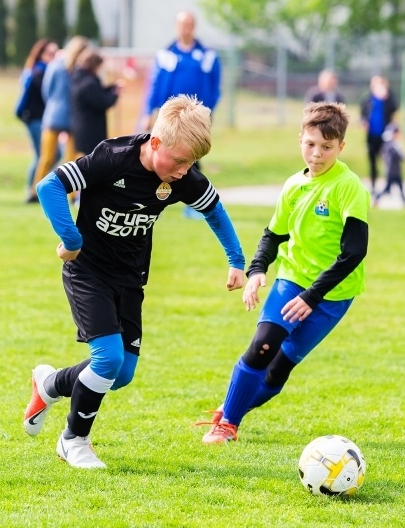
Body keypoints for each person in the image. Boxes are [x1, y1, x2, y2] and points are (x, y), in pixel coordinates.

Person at [23, 95, 246, 469]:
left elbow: (214, 210)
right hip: (88, 271)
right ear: (155, 143)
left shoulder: (181, 177)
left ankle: (49, 384)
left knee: (121, 373)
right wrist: (72, 241)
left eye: (190, 163)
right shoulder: (113, 158)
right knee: (107, 358)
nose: (182, 171)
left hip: (130, 279)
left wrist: (236, 261)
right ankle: (73, 441)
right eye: (178, 161)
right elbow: (49, 186)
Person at [197, 102, 369, 444]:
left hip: (333, 295)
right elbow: (273, 235)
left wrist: (313, 297)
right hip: (292, 280)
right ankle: (228, 424)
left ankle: (232, 407)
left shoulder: (349, 187)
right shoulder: (293, 185)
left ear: (341, 147)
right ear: (300, 140)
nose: (317, 154)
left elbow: (354, 253)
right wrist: (258, 270)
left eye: (326, 147)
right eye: (310, 144)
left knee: (278, 371)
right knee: (263, 346)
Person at [140, 11, 221, 219]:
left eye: (189, 24)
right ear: (177, 27)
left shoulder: (206, 56)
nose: (185, 28)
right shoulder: (166, 54)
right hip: (170, 117)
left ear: (194, 27)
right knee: (162, 154)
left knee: (192, 156)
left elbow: (214, 87)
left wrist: (207, 112)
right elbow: (155, 85)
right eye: (182, 24)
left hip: (194, 116)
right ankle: (148, 198)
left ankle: (195, 202)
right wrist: (148, 112)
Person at [29, 36, 89, 200]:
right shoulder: (72, 69)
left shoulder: (57, 66)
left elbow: (46, 91)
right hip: (66, 117)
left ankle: (37, 191)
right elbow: (47, 90)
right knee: (65, 159)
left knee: (50, 157)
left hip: (55, 116)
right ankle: (65, 193)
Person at [16, 39, 59, 203]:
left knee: (44, 154)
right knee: (42, 154)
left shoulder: (41, 70)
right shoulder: (40, 72)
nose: (54, 57)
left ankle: (34, 188)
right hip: (36, 119)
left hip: (39, 118)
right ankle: (32, 190)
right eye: (50, 53)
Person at [70, 49, 122, 157]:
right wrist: (115, 94)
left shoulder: (81, 78)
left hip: (83, 127)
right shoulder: (88, 84)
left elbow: (99, 92)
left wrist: (112, 87)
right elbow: (102, 102)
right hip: (90, 131)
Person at [360, 75, 398, 195]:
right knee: (372, 161)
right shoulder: (367, 99)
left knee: (388, 162)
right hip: (372, 136)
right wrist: (364, 122)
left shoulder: (388, 99)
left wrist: (386, 96)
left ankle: (388, 187)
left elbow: (394, 108)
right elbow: (363, 115)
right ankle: (373, 185)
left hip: (385, 136)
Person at [373, 123, 405, 208]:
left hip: (395, 171)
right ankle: (376, 198)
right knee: (388, 188)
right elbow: (399, 156)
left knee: (400, 187)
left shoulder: (389, 145)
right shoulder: (391, 146)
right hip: (392, 171)